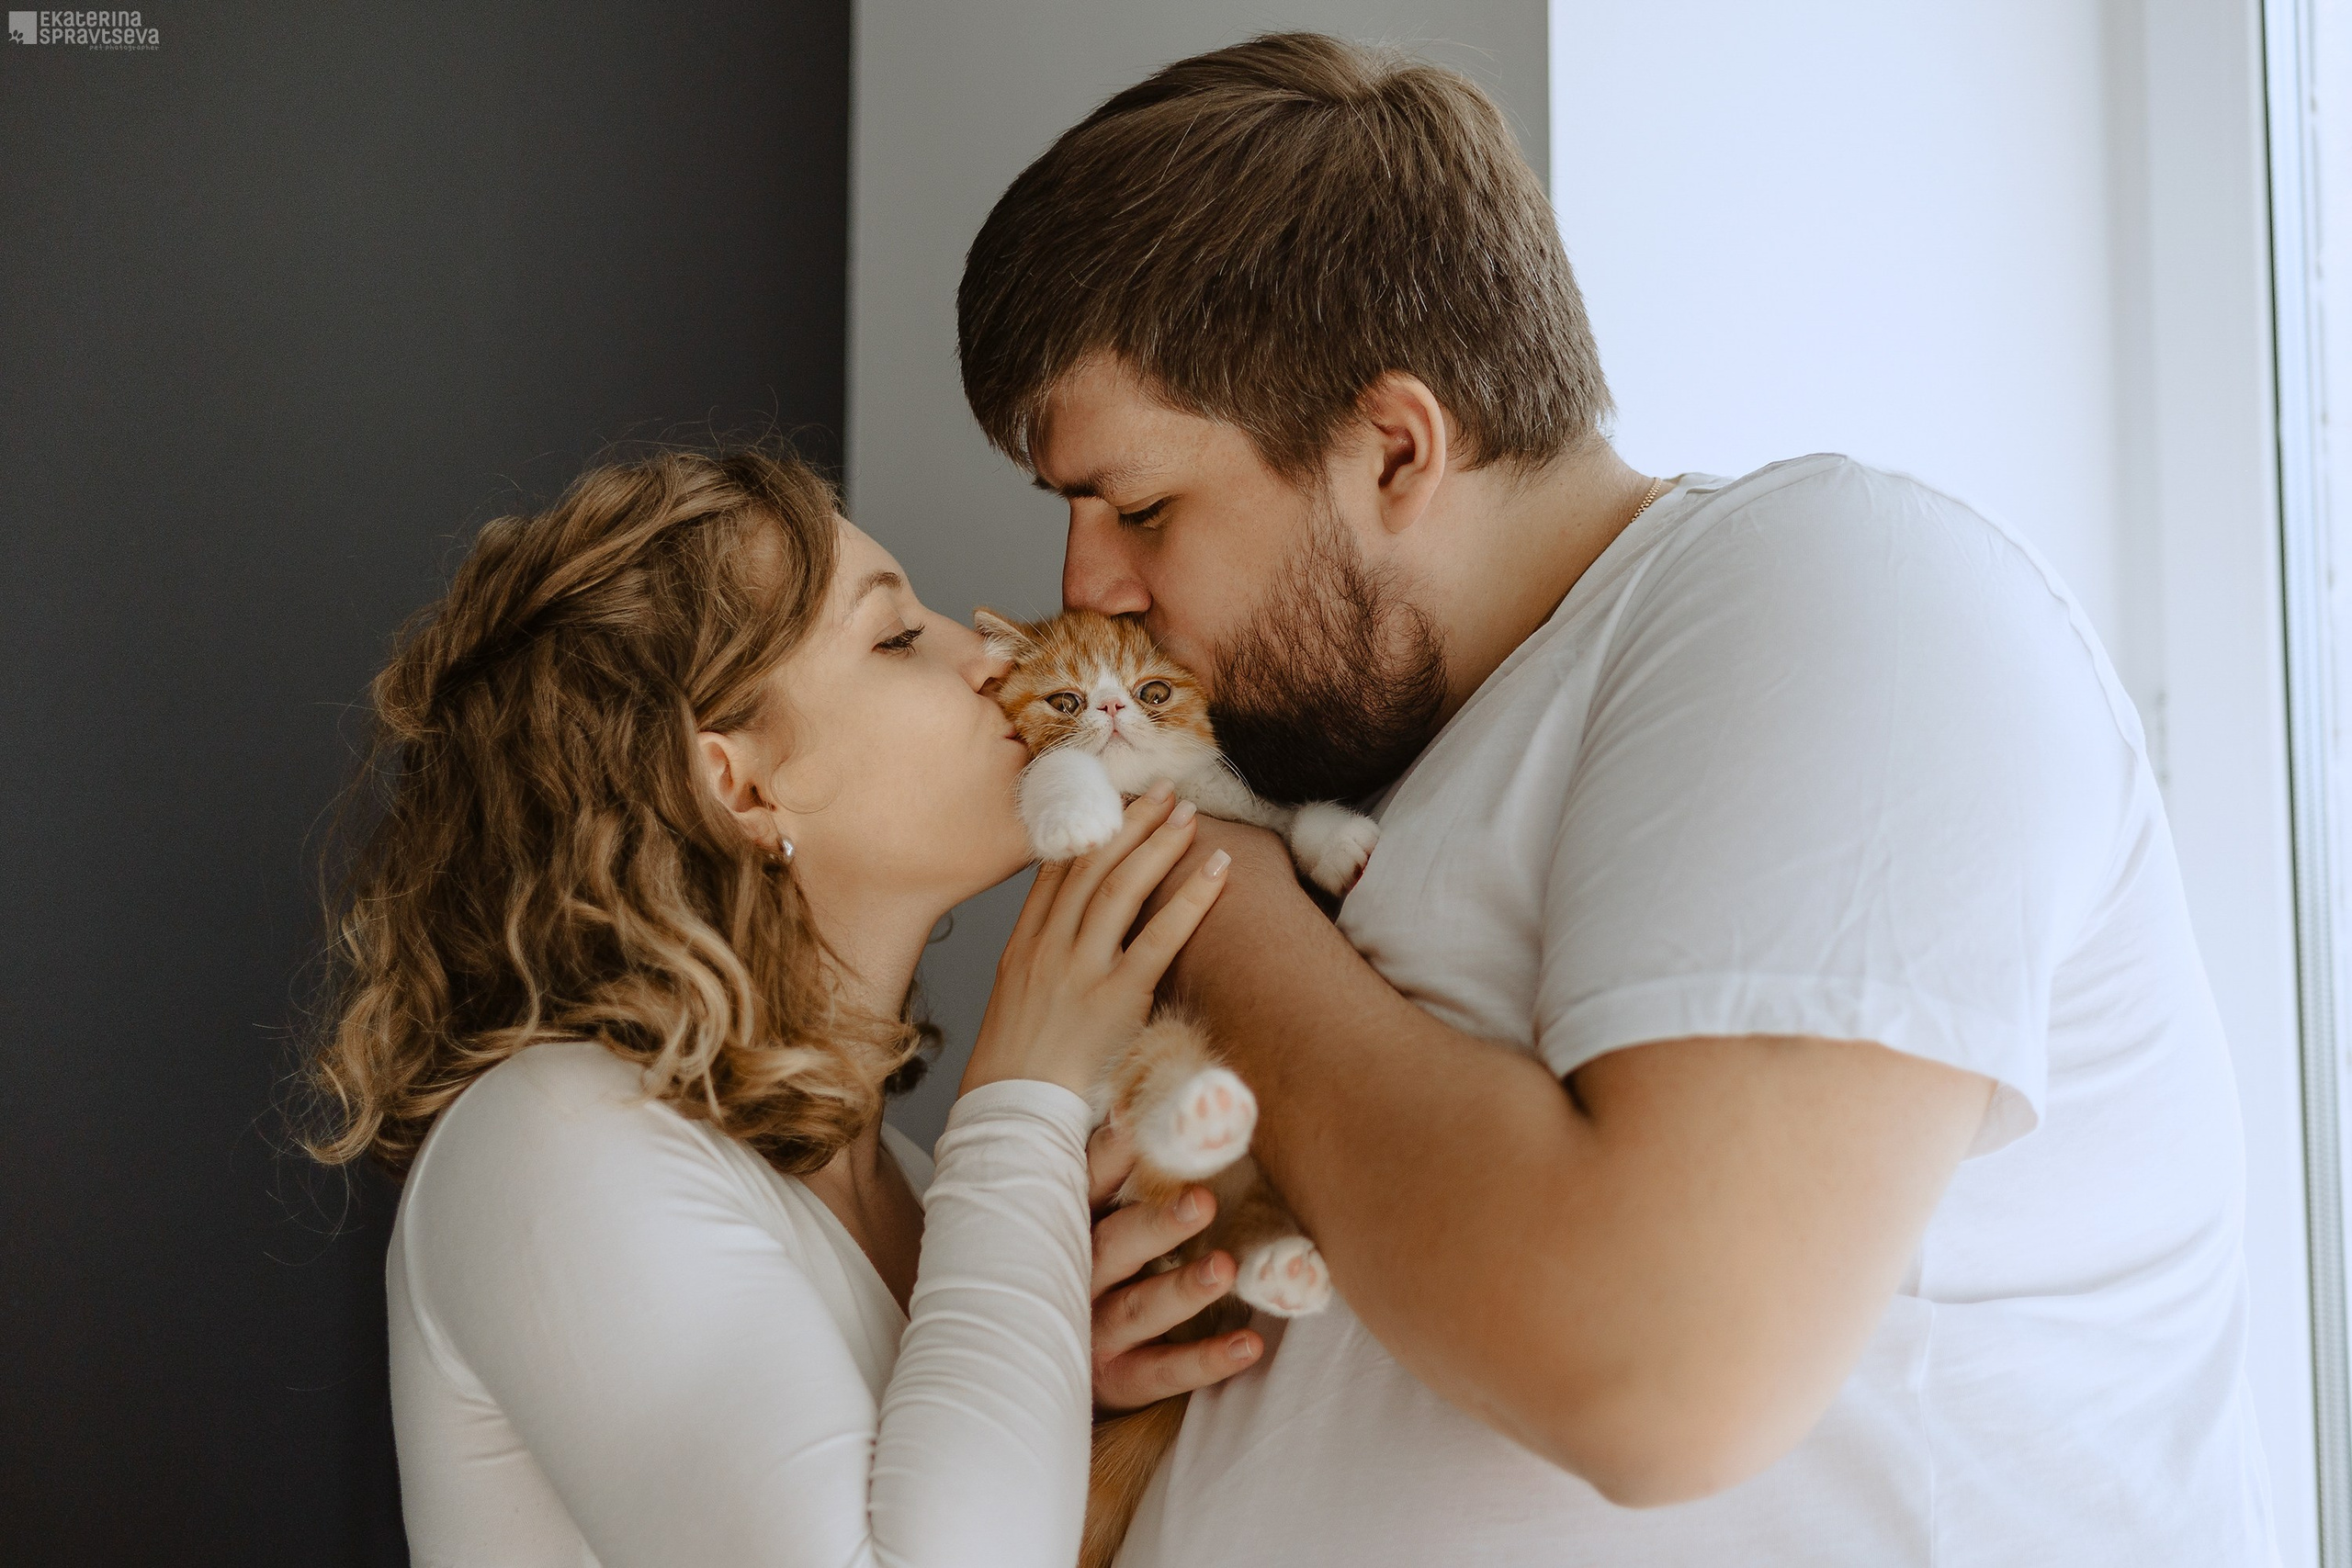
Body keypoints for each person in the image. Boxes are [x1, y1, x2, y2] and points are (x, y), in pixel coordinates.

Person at [955, 32, 2278, 1567]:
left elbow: (1659, 1367)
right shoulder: (1397, 774)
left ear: (1394, 448)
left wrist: (1223, 907)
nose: (1083, 588)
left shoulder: (1842, 589)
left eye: (1137, 505)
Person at [300, 446, 1261, 1566]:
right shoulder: (549, 1140)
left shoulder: (902, 1181)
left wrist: (1062, 1405)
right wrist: (1021, 1106)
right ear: (739, 785)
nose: (993, 656)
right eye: (897, 637)